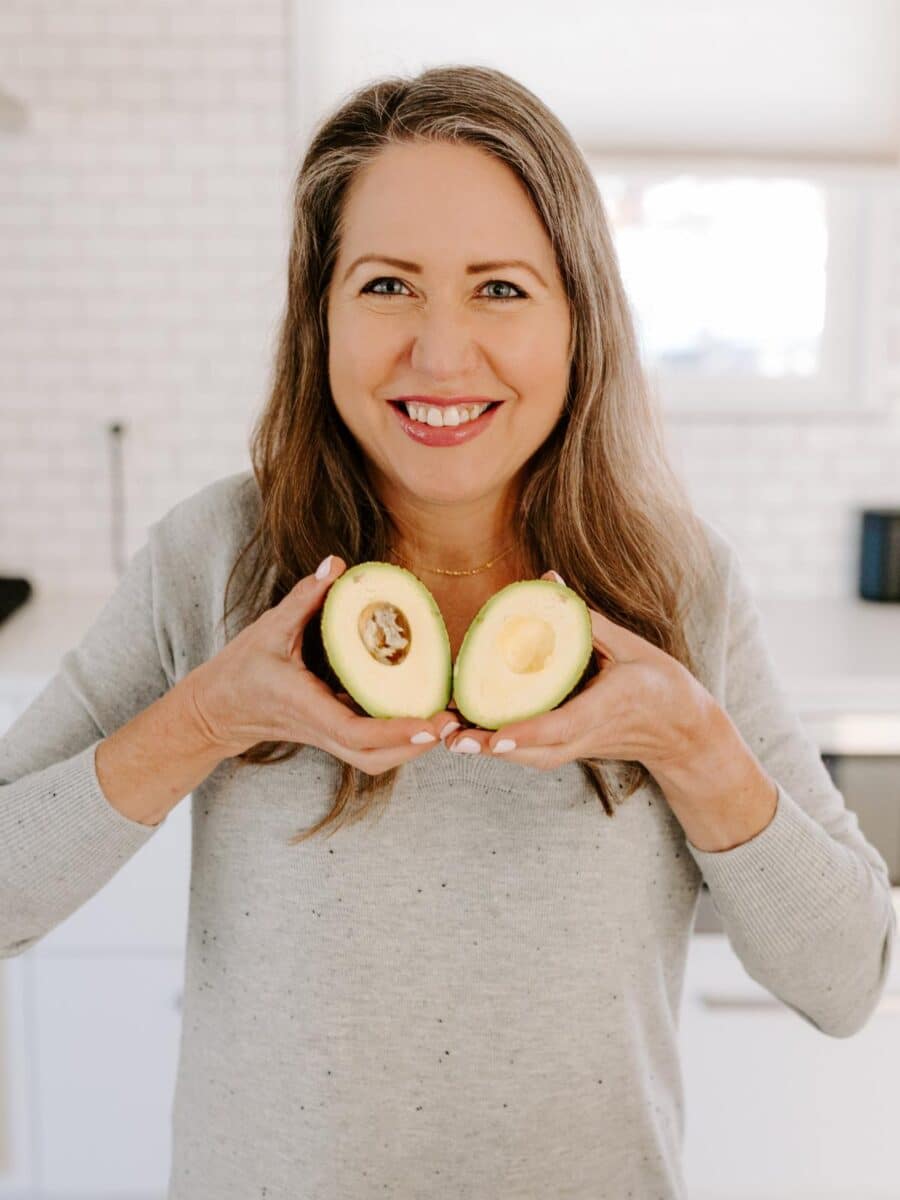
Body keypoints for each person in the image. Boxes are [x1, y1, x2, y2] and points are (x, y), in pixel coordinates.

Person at [1, 64, 895, 1200]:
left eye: (501, 290)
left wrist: (694, 748)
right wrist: (205, 718)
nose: (439, 353)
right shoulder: (215, 558)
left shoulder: (677, 582)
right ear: (318, 312)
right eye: (385, 286)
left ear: (581, 319)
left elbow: (847, 978)